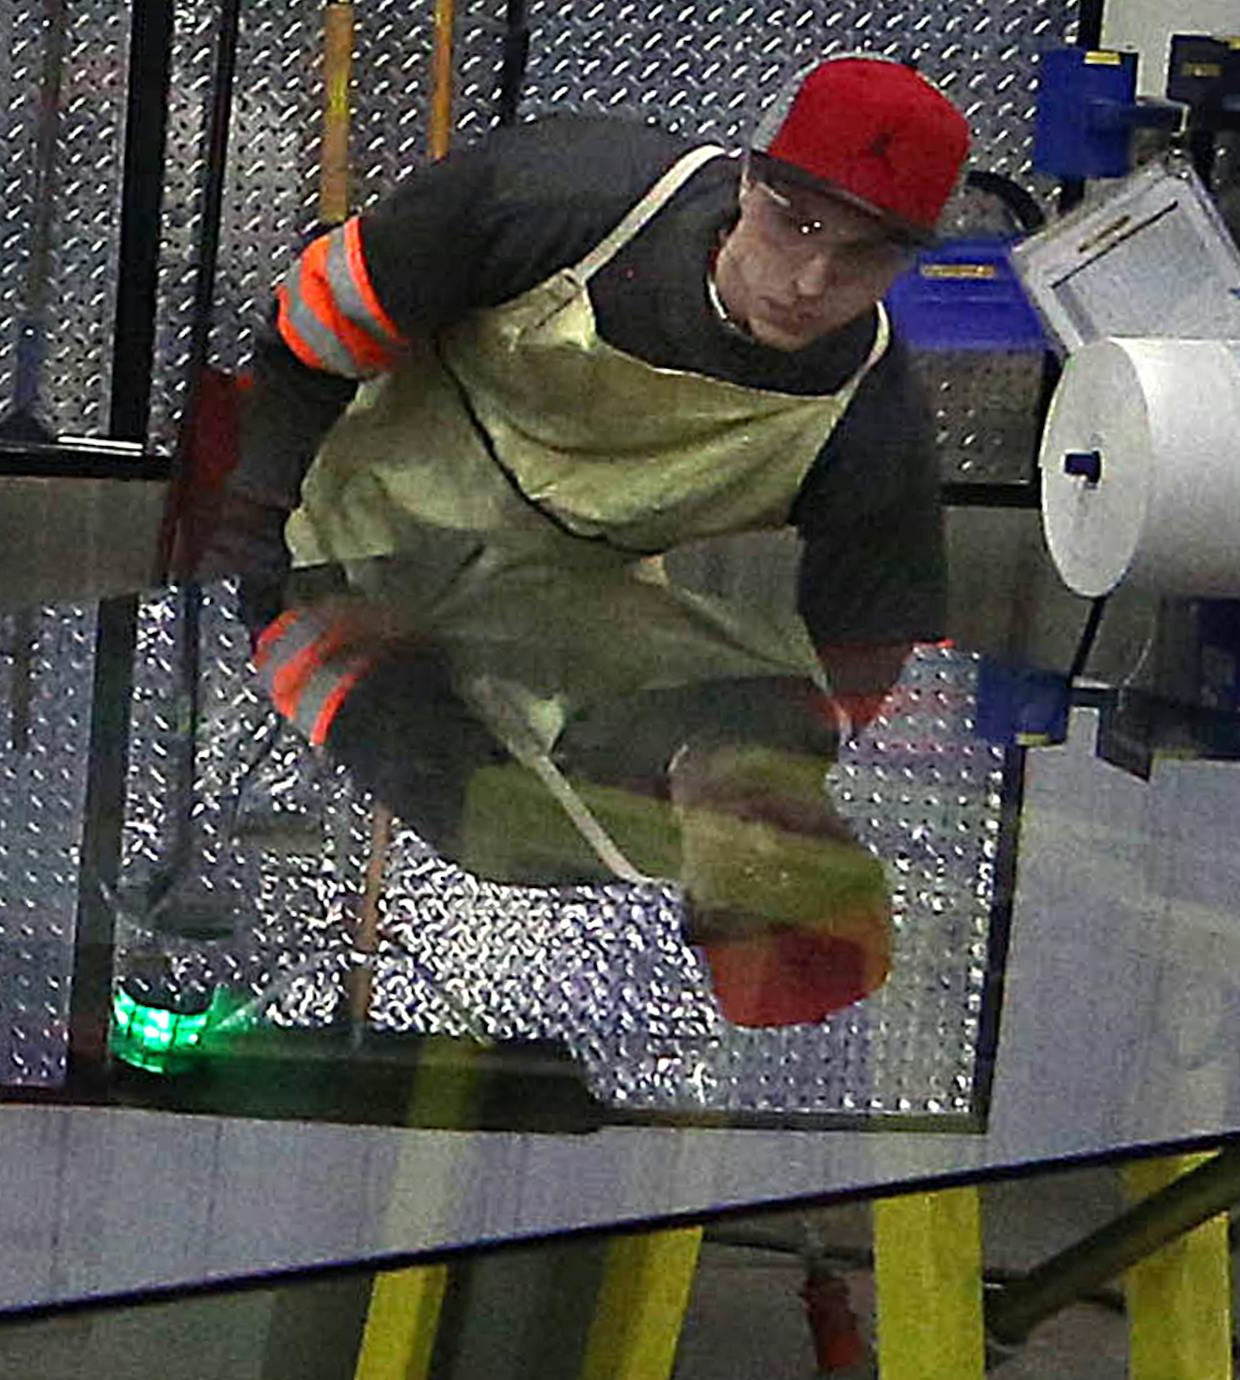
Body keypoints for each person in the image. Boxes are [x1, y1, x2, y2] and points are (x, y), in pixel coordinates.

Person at [199, 56, 971, 1028]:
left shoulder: (525, 829)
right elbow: (318, 326)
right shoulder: (557, 197)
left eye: (864, 256)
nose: (813, 280)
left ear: (696, 903)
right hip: (330, 495)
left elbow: (876, 625)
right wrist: (257, 504)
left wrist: (307, 617)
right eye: (795, 223)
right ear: (746, 178)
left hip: (387, 593)